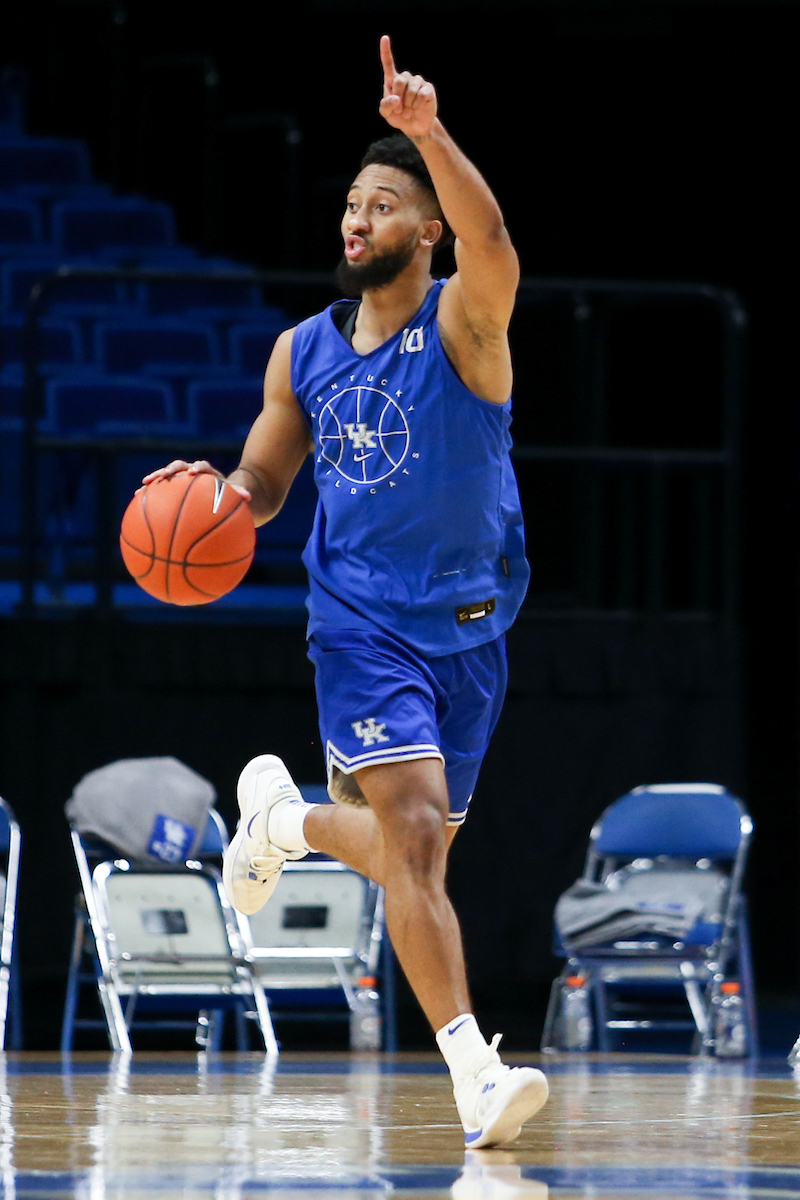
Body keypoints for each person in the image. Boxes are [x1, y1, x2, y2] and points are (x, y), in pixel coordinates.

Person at [143, 35, 548, 1147]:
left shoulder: (465, 325)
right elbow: (265, 479)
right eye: (351, 203)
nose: (355, 220)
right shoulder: (299, 355)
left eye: (382, 205)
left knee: (406, 853)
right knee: (413, 836)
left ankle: (279, 817)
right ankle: (473, 1069)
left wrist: (426, 134)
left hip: (471, 624)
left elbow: (493, 236)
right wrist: (218, 500)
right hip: (359, 622)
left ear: (424, 232)